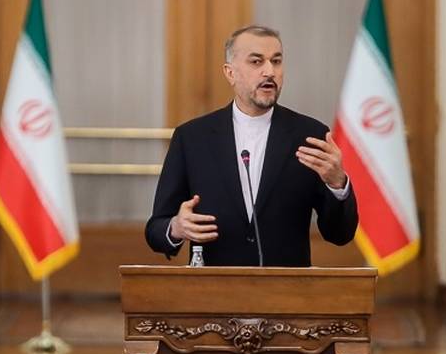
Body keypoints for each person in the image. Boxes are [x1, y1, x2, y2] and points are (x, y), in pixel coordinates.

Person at [145, 25, 358, 266]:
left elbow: (340, 234)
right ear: (230, 73)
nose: (270, 71)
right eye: (256, 62)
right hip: (213, 285)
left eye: (276, 61)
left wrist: (337, 184)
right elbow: (156, 230)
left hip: (287, 287)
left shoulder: (310, 136)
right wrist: (176, 227)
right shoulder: (192, 138)